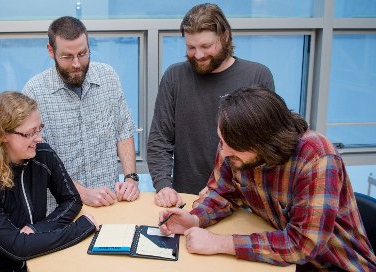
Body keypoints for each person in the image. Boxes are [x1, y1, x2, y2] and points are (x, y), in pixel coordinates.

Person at [158, 86, 376, 271]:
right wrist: (195, 219)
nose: (223, 153)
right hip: (279, 261)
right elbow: (222, 192)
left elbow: (302, 244)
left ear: (264, 144)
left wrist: (221, 243)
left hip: (333, 265)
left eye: (231, 147)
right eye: (221, 141)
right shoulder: (233, 144)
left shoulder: (316, 157)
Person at [0, 92, 98, 272]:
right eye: (29, 133)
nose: (39, 138)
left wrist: (38, 229)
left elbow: (72, 199)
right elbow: (17, 247)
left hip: (27, 262)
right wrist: (81, 228)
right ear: (2, 134)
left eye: (39, 129)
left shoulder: (42, 155)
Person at [147, 3, 275, 208]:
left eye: (206, 46)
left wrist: (223, 189)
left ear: (225, 37)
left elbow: (266, 147)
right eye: (191, 47)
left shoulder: (257, 76)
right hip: (187, 200)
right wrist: (163, 185)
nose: (198, 55)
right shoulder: (174, 76)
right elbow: (159, 139)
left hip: (243, 202)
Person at [23, 16, 139, 209]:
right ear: (51, 51)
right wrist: (82, 193)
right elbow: (36, 160)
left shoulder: (108, 77)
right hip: (61, 210)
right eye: (67, 56)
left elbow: (123, 132)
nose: (77, 64)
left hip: (110, 203)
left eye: (82, 53)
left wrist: (131, 178)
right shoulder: (34, 92)